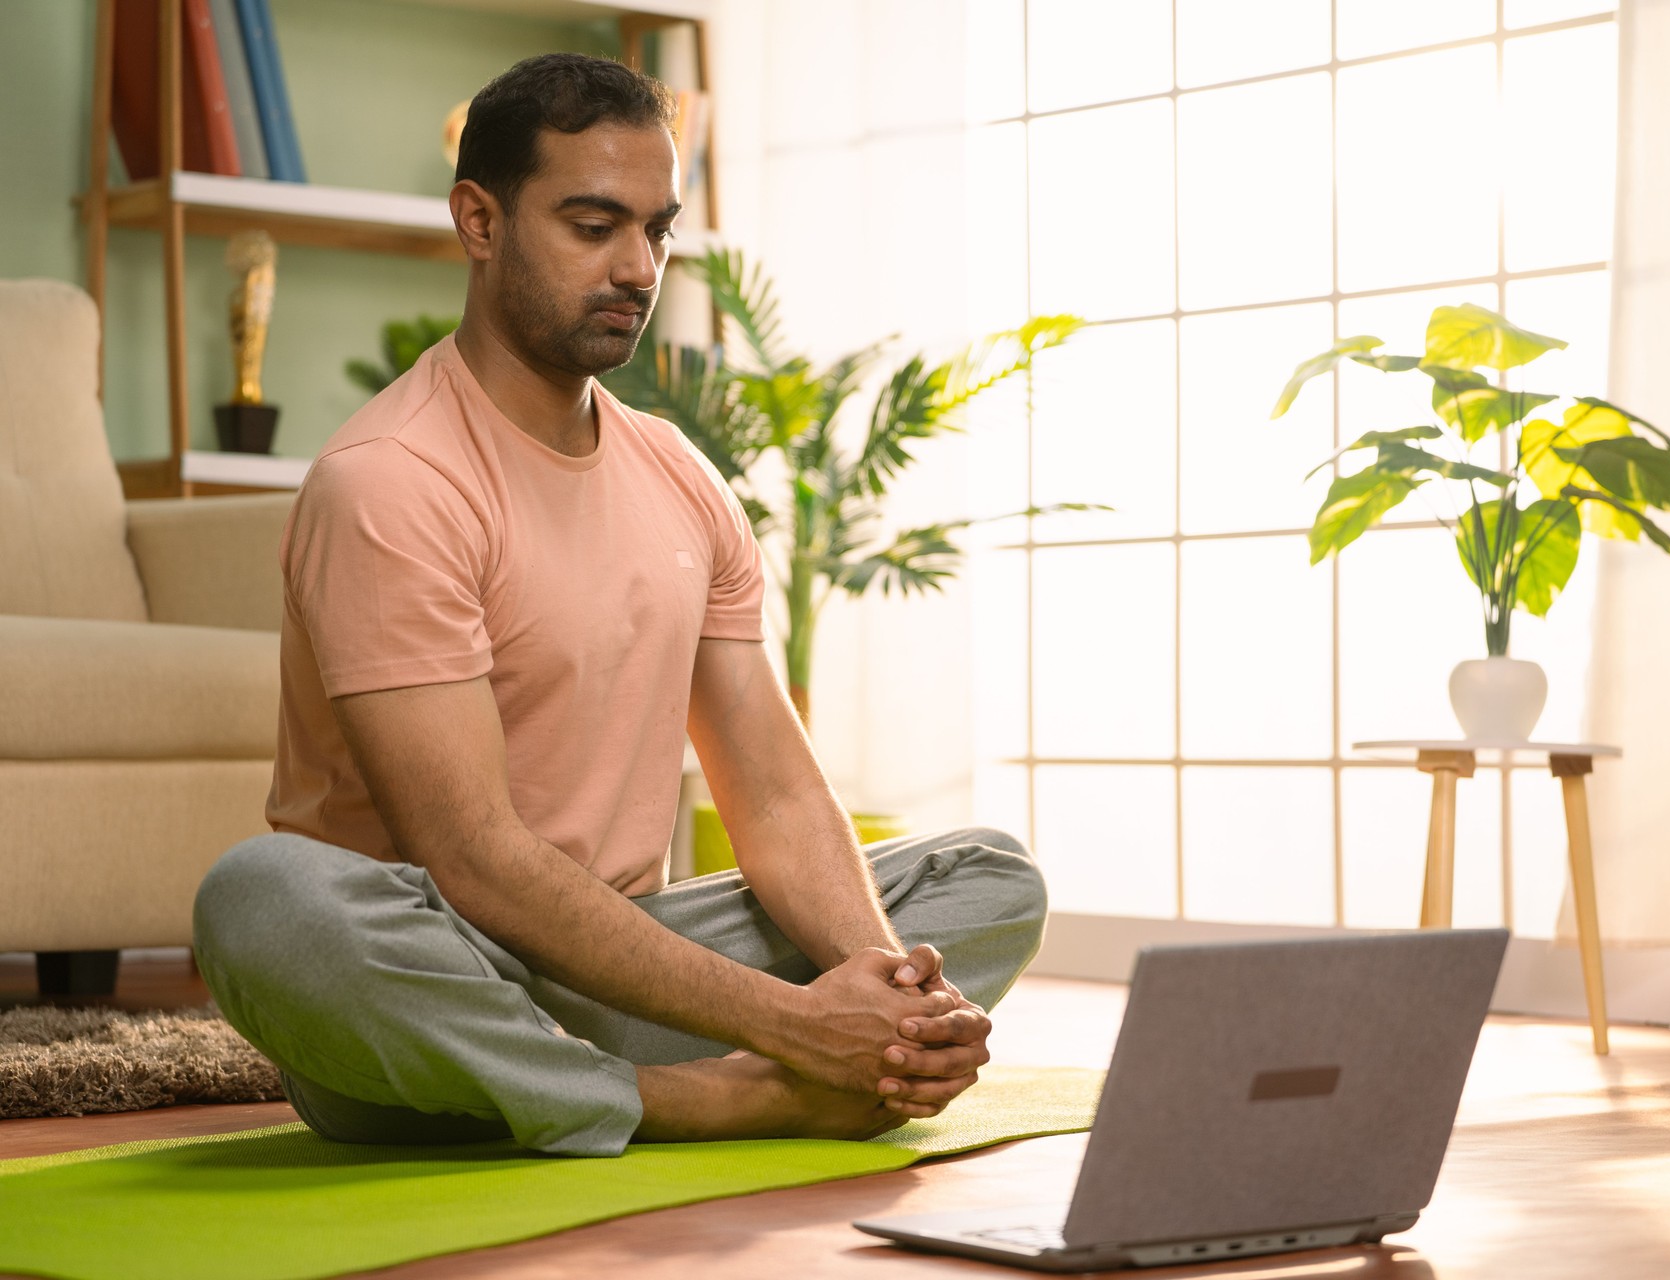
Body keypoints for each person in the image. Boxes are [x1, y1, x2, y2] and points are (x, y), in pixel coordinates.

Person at [191, 52, 1046, 1158]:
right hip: (438, 973)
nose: (637, 267)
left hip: (632, 965)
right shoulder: (391, 480)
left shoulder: (680, 473)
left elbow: (777, 794)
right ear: (479, 221)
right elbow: (477, 859)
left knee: (986, 877)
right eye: (593, 226)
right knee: (261, 898)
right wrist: (794, 1027)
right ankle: (726, 1097)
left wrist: (880, 991)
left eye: (657, 229)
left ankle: (594, 1083)